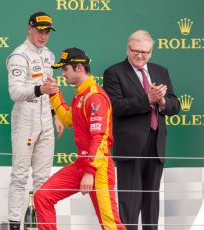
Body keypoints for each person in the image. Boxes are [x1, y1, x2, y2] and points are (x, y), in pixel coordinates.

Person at [34, 47, 126, 230]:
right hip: (82, 164)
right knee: (42, 196)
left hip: (97, 168)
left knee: (110, 225)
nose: (63, 74)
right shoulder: (81, 95)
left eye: (65, 69)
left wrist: (89, 172)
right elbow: (68, 120)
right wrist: (54, 95)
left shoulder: (95, 96)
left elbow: (99, 138)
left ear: (79, 68)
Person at [103, 30, 180, 230]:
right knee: (129, 203)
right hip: (130, 147)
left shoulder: (161, 71)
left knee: (151, 203)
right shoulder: (114, 72)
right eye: (135, 51)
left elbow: (174, 106)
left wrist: (162, 100)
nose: (140, 56)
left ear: (151, 52)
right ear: (127, 49)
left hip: (156, 144)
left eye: (145, 52)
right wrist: (148, 99)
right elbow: (116, 107)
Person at [6, 12, 64, 230]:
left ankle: (41, 226)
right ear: (29, 28)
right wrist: (40, 89)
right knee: (20, 176)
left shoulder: (49, 55)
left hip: (45, 119)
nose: (43, 35)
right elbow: (15, 92)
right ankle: (13, 225)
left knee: (43, 179)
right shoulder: (19, 56)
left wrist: (55, 114)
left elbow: (50, 90)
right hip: (26, 117)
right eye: (40, 31)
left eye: (47, 31)